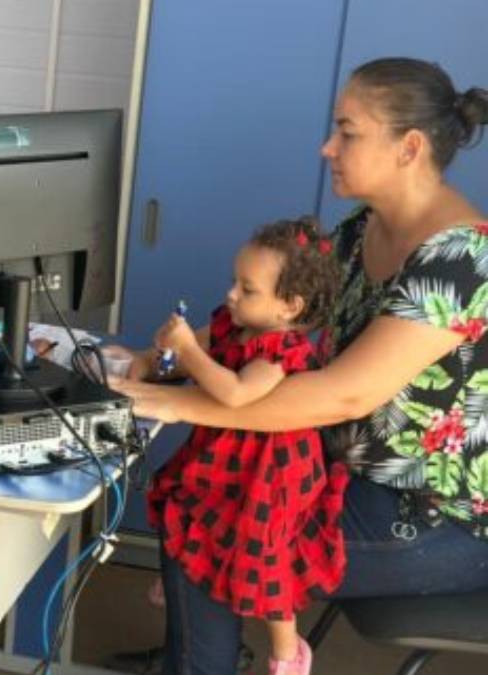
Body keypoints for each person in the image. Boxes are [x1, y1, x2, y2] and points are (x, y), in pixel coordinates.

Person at [116, 58, 488, 675]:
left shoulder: (462, 260)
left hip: (435, 518)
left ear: (409, 147)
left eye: (347, 132)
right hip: (340, 471)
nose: (327, 147)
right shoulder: (361, 229)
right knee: (204, 499)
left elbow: (343, 396)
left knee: (211, 524)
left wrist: (177, 403)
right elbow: (270, 320)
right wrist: (163, 361)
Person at [125, 218, 347, 675]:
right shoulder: (234, 323)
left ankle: (288, 654)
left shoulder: (279, 351)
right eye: (234, 282)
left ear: (290, 306)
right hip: (225, 455)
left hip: (271, 471)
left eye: (247, 289)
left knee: (263, 556)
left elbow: (233, 393)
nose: (230, 295)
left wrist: (187, 351)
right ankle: (187, 581)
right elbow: (198, 358)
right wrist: (156, 358)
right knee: (190, 508)